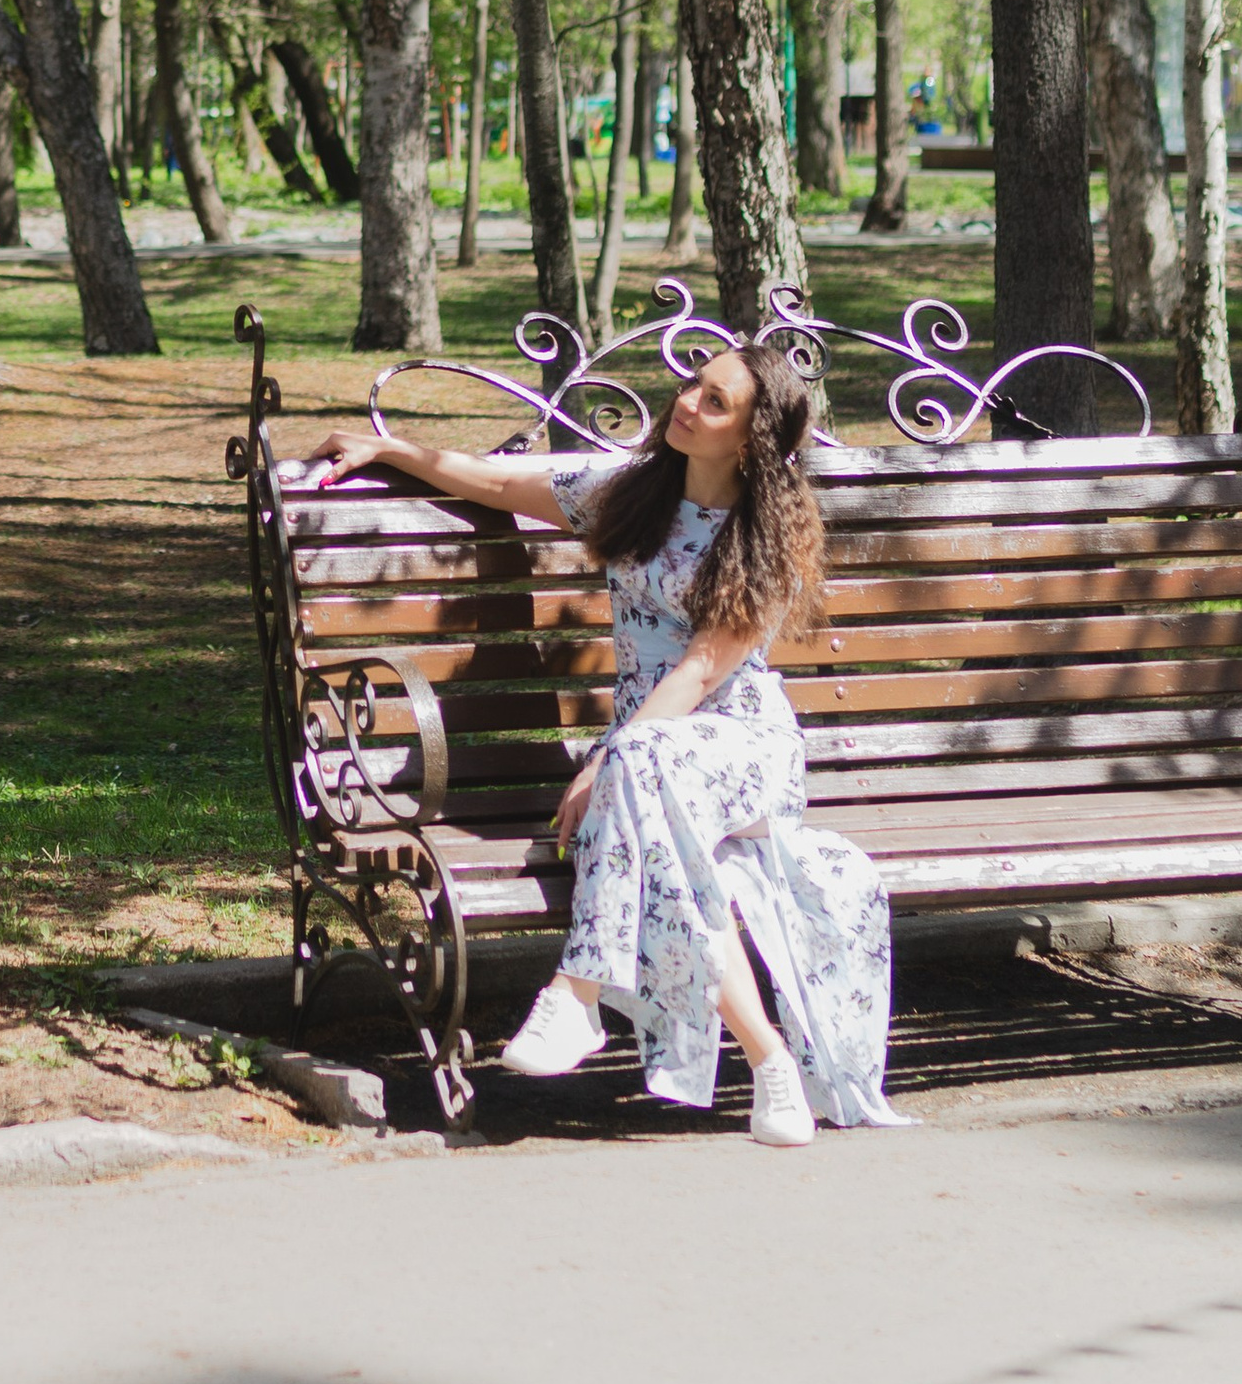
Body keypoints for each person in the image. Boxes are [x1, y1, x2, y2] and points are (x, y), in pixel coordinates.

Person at [300, 334, 904, 1143]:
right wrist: (390, 447)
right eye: (693, 384)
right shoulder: (631, 491)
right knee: (674, 856)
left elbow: (696, 674)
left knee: (638, 773)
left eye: (715, 402)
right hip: (650, 753)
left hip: (737, 745)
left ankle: (580, 993)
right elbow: (496, 479)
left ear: (751, 440)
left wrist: (611, 761)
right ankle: (770, 1063)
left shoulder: (767, 539)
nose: (686, 402)